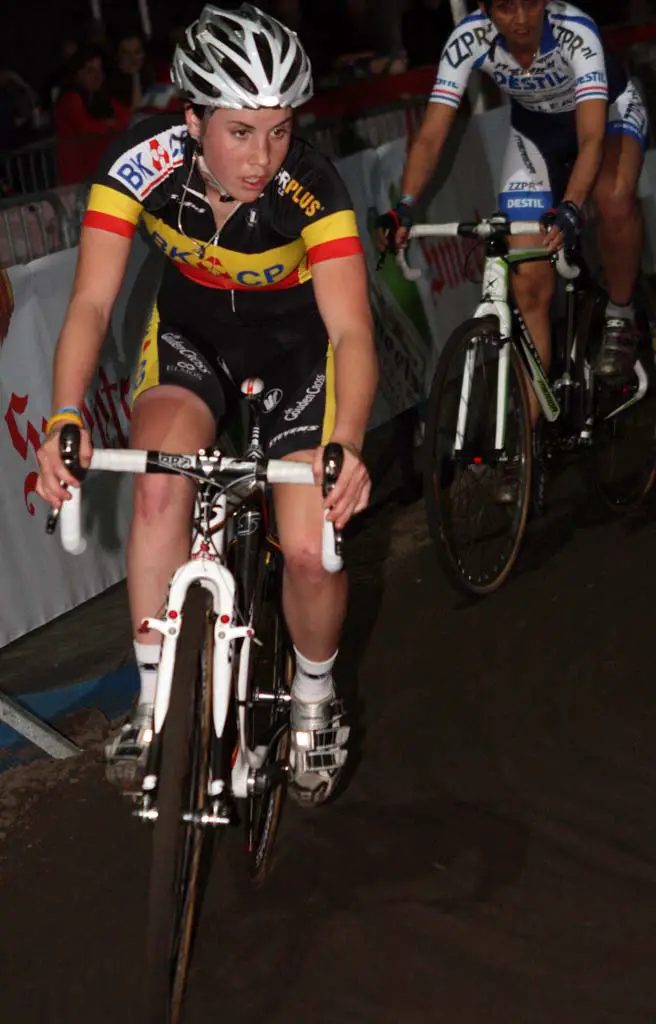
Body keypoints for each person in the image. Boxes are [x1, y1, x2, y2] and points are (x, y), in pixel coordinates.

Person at [36, 3, 377, 806]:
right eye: (239, 131)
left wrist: (349, 443)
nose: (263, 158)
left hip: (299, 358)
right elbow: (88, 305)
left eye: (281, 130)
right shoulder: (138, 163)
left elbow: (354, 330)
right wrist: (63, 416)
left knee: (306, 549)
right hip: (191, 340)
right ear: (191, 117)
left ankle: (317, 694)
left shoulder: (312, 187)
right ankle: (155, 695)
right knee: (158, 485)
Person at [378, 0, 648, 399]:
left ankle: (621, 315)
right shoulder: (467, 37)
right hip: (536, 133)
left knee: (612, 195)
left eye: (530, 4)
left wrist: (571, 205)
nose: (521, 19)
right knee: (528, 287)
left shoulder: (576, 30)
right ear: (486, 10)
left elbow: (591, 139)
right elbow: (432, 133)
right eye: (506, 8)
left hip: (607, 116)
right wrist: (403, 206)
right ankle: (528, 433)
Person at [54, 46, 130, 184]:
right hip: (77, 177)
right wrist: (109, 125)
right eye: (90, 71)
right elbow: (86, 128)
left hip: (102, 173)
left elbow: (125, 118)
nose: (97, 76)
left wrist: (108, 125)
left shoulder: (101, 98)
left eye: (100, 70)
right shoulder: (70, 99)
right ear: (77, 74)